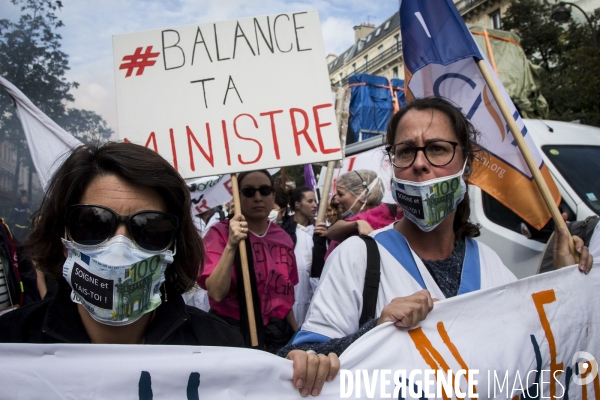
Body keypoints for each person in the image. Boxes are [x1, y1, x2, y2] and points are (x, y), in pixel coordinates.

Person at [0, 143, 337, 397]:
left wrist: (288, 375)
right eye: (93, 223)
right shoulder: (10, 344)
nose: (119, 246)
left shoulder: (220, 348)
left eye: (149, 228)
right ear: (63, 236)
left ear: (174, 245)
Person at [284, 97, 593, 354]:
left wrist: (564, 280)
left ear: (466, 167)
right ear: (393, 169)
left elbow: (538, 351)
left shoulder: (489, 265)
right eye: (405, 151)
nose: (420, 163)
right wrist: (375, 331)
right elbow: (299, 361)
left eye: (437, 148)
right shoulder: (357, 257)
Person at [199, 170, 300, 353]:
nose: (258, 197)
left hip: (278, 339)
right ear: (237, 197)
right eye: (249, 192)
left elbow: (286, 296)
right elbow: (216, 293)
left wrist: (297, 335)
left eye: (265, 190)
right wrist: (231, 245)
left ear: (273, 195)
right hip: (232, 338)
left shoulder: (284, 238)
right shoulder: (219, 234)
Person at [319, 169, 401, 260]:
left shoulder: (370, 217)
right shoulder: (387, 212)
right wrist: (356, 224)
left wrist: (356, 223)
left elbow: (331, 232)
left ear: (362, 194)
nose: (336, 200)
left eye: (341, 194)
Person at [289, 187, 318, 327]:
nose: (315, 205)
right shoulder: (285, 230)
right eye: (310, 201)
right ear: (297, 204)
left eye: (315, 201)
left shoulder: (319, 231)